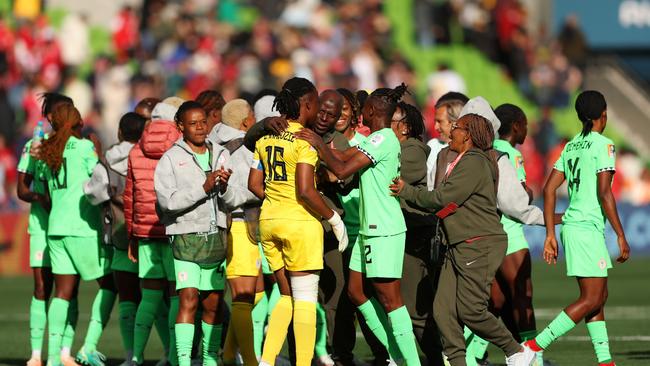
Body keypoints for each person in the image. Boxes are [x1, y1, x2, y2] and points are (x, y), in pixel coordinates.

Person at [389, 109, 536, 366]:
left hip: (477, 243)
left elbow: (442, 198)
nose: (450, 130)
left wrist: (406, 191)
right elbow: (449, 203)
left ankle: (517, 350)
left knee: (471, 310)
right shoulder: (461, 160)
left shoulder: (475, 161)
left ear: (467, 136)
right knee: (443, 312)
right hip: (458, 245)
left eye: (456, 126)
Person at [296, 84, 421, 366]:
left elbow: (341, 169)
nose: (356, 109)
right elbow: (340, 158)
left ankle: (408, 361)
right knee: (355, 291)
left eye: (363, 106)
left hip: (384, 228)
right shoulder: (376, 138)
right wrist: (322, 152)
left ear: (372, 111)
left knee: (391, 300)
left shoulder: (384, 139)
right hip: (369, 229)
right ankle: (395, 355)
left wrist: (317, 143)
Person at [524, 91, 630, 366]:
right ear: (602, 114)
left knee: (597, 297)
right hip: (586, 228)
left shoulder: (570, 146)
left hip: (572, 227)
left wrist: (550, 233)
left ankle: (605, 361)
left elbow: (548, 189)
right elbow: (605, 193)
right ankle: (533, 347)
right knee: (592, 297)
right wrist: (620, 233)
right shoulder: (603, 145)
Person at [248, 77, 347, 366]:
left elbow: (254, 184)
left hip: (269, 221)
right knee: (304, 301)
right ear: (306, 104)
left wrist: (278, 200)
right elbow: (306, 190)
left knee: (285, 295)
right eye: (316, 103)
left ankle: (266, 361)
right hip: (299, 225)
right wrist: (333, 219)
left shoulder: (266, 139)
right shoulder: (304, 141)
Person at [154, 101, 234, 366]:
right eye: (193, 123)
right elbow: (168, 202)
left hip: (216, 239)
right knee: (188, 299)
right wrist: (204, 187)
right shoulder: (170, 159)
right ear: (180, 127)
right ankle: (185, 361)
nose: (200, 128)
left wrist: (224, 189)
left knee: (213, 304)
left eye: (203, 122)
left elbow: (235, 197)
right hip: (185, 238)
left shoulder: (221, 153)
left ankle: (212, 359)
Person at [38, 103, 117, 366]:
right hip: (81, 228)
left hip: (55, 227)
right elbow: (100, 180)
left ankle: (52, 359)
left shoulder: (50, 149)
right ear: (74, 122)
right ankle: (88, 347)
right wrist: (99, 152)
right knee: (110, 285)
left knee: (62, 293)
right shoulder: (83, 147)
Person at [83, 112, 147, 366]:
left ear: (120, 133)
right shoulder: (150, 155)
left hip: (119, 233)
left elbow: (93, 194)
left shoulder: (108, 159)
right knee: (158, 297)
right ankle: (171, 354)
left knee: (127, 298)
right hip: (149, 233)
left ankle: (131, 356)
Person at [125, 97, 183, 365]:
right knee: (175, 297)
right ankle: (172, 357)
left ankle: (135, 356)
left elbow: (130, 196)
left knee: (148, 297)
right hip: (173, 231)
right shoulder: (180, 148)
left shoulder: (136, 150)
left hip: (145, 233)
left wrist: (131, 234)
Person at [17, 93, 73, 366]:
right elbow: (21, 188)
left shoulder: (76, 146)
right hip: (41, 225)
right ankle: (36, 355)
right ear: (49, 117)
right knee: (42, 287)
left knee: (68, 288)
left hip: (69, 226)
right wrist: (40, 198)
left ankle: (64, 353)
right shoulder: (34, 146)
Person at [390, 102, 443, 366]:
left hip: (414, 234)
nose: (385, 124)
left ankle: (438, 359)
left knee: (415, 310)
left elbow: (388, 180)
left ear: (406, 127)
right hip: (398, 233)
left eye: (392, 120)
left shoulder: (411, 151)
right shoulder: (395, 146)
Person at [216, 99, 263, 366]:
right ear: (246, 122)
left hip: (234, 223)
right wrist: (266, 192)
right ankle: (250, 361)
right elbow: (243, 189)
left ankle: (229, 352)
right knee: (244, 296)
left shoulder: (217, 141)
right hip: (240, 222)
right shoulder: (242, 149)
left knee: (254, 291)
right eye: (253, 116)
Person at [426, 92, 469, 190]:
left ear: (455, 122)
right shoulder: (433, 145)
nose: (435, 127)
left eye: (440, 121)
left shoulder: (471, 151)